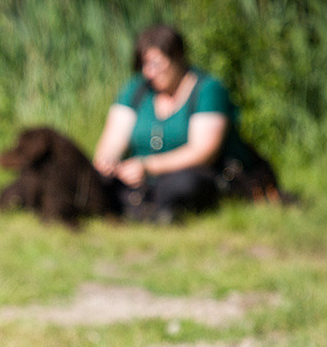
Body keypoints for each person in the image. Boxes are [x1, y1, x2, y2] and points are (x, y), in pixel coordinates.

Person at [94, 23, 257, 222]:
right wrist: (108, 162)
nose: (149, 72)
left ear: (177, 57)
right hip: (137, 179)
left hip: (191, 175)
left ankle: (154, 210)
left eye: (156, 64)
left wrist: (148, 166)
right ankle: (142, 210)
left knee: (182, 185)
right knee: (96, 180)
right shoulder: (136, 90)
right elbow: (112, 140)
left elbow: (203, 151)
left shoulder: (207, 90)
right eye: (144, 64)